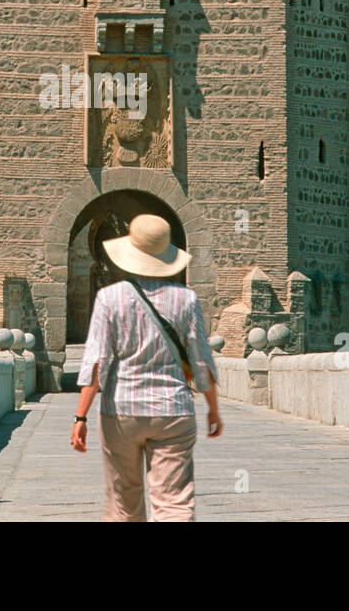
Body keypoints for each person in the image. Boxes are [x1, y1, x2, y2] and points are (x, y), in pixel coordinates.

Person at [70, 213, 221, 522]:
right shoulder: (186, 299)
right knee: (174, 503)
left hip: (120, 411)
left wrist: (80, 416)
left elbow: (97, 361)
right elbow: (201, 360)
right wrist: (213, 409)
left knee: (123, 501)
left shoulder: (109, 297)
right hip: (173, 411)